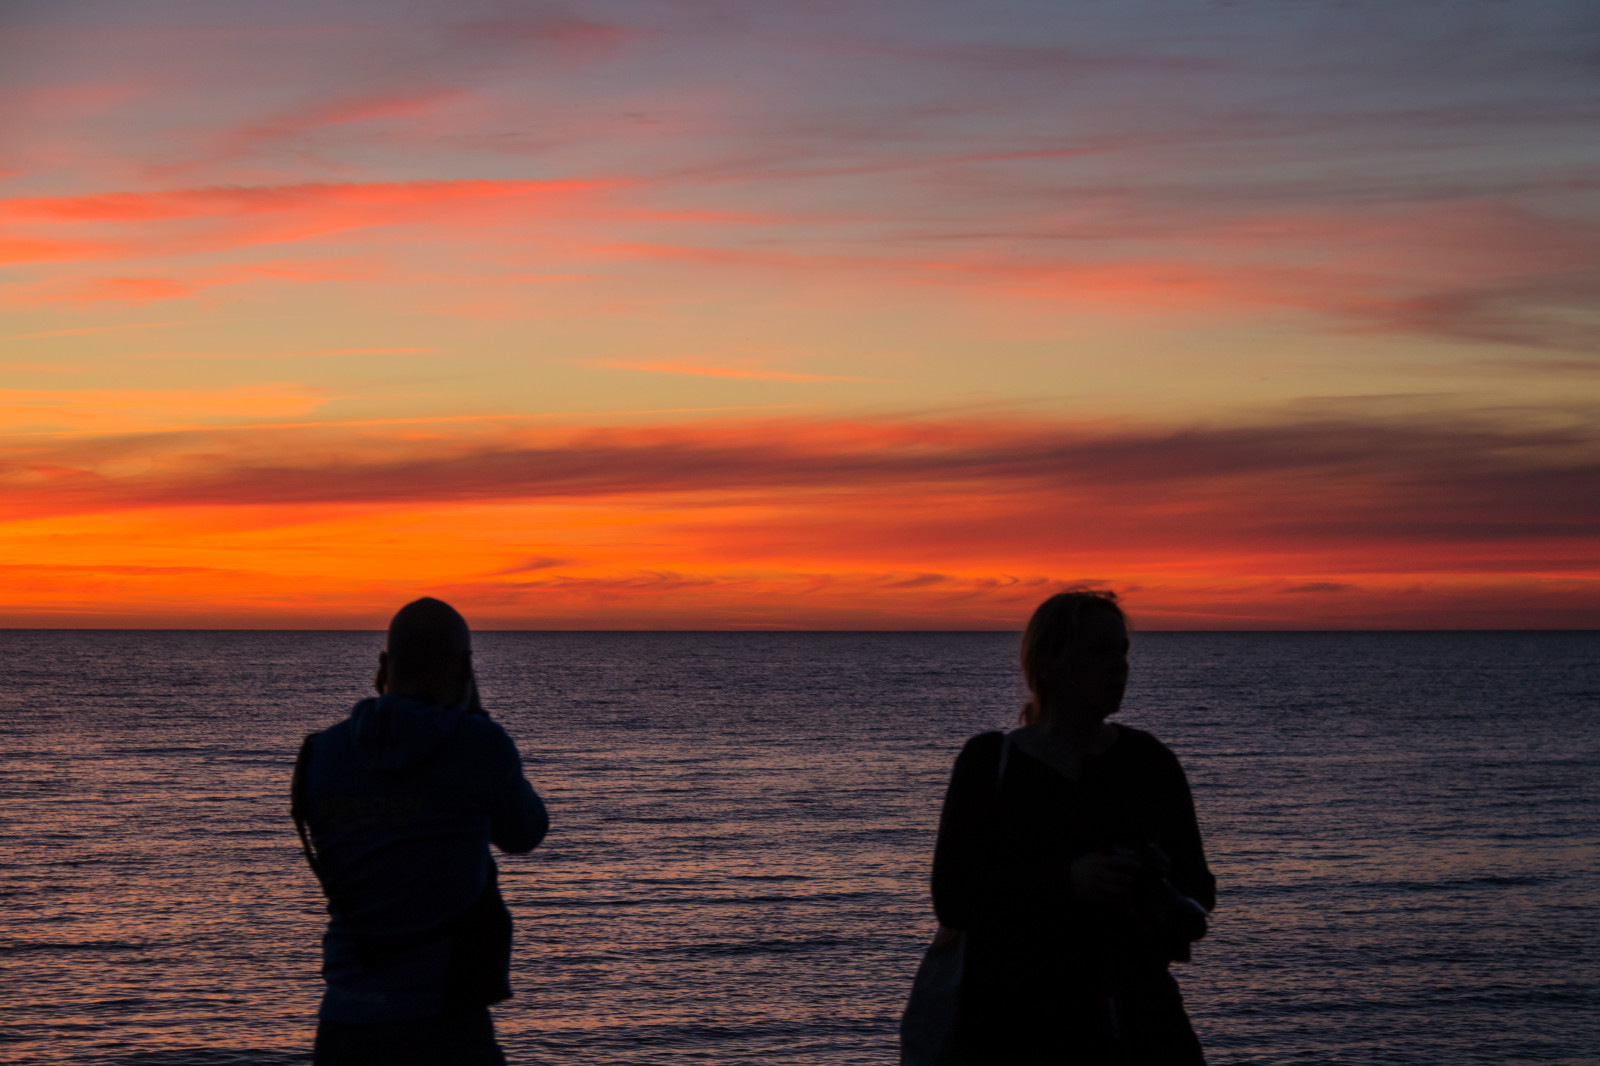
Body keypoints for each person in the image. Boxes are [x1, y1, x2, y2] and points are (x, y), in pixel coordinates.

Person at [930, 590, 1215, 1064]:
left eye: (1122, 651)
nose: (1120, 666)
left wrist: (1154, 891)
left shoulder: (1150, 763)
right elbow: (953, 899)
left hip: (1139, 1021)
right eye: (1098, 651)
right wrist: (1069, 882)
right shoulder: (988, 764)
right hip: (1014, 1026)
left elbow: (1199, 885)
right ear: (1047, 662)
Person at [292, 598, 549, 1066]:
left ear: (384, 666)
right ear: (466, 668)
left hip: (345, 1021)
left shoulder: (321, 755)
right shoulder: (475, 745)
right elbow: (526, 832)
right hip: (446, 1021)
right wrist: (476, 716)